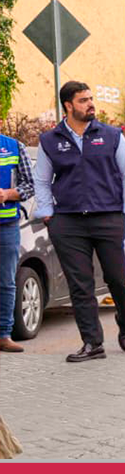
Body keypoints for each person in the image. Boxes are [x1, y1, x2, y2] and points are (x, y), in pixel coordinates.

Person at [34, 81, 125, 361]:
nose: (91, 104)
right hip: (68, 222)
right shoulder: (50, 141)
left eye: (91, 99)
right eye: (83, 100)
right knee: (80, 285)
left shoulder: (111, 135)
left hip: (109, 217)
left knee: (118, 278)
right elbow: (42, 180)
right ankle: (93, 342)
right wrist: (47, 213)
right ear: (68, 105)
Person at [0, 133, 34, 354]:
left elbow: (30, 185)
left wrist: (8, 194)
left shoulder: (14, 147)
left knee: (6, 282)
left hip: (6, 226)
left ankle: (4, 335)